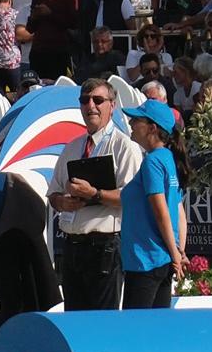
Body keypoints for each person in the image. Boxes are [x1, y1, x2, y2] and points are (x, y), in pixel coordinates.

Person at [48, 83, 142, 310]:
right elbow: (53, 194)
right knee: (74, 320)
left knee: (103, 321)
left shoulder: (124, 146)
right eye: (85, 100)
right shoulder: (72, 147)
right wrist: (62, 202)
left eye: (98, 100)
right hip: (72, 246)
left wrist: (94, 194)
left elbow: (132, 198)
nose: (90, 106)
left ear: (112, 106)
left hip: (104, 246)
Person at [119, 101, 185, 308]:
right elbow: (180, 213)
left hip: (146, 260)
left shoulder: (153, 161)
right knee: (157, 325)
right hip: (161, 260)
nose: (131, 123)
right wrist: (178, 252)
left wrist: (176, 256)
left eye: (136, 119)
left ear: (152, 128)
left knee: (136, 326)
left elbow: (161, 211)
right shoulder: (168, 158)